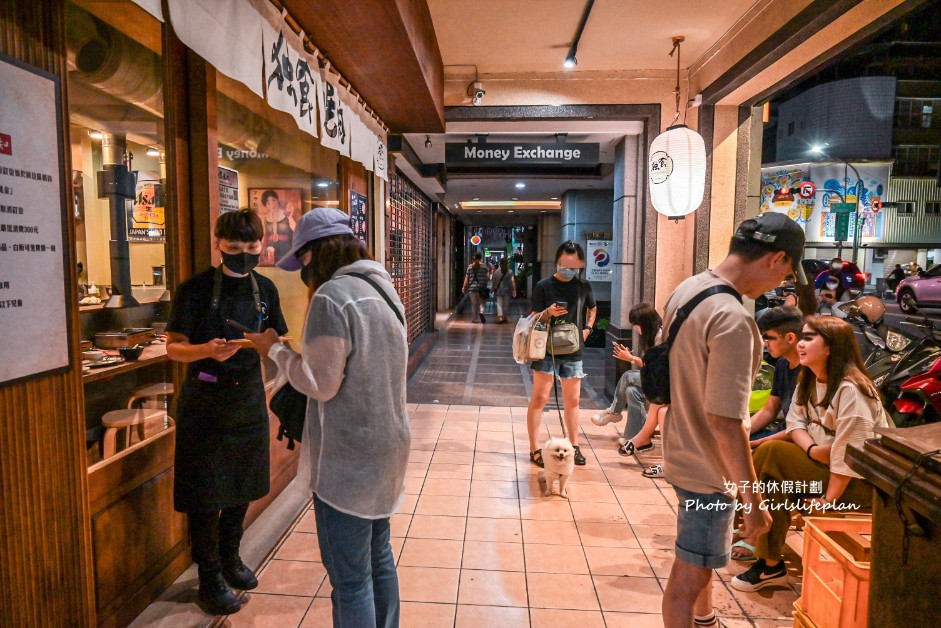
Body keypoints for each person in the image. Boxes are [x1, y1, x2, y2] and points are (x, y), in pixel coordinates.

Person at [248, 207, 409, 627]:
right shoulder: (384, 292)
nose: (301, 271)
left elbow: (320, 383)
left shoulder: (331, 298)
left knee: (351, 581)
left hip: (348, 460)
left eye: (301, 260)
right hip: (387, 449)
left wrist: (275, 350)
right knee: (378, 559)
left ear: (315, 254)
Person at [660, 212, 806, 628]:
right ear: (777, 259)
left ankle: (706, 621)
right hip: (709, 468)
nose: (781, 285)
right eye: (787, 273)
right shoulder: (735, 319)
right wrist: (754, 502)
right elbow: (726, 422)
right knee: (690, 576)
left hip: (681, 449)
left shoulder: (690, 289)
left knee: (697, 560)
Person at [165, 209, 288, 616]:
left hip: (248, 396)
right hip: (204, 398)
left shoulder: (265, 289)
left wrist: (262, 343)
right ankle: (209, 575)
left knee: (245, 482)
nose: (243, 255)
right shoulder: (195, 289)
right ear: (218, 243)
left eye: (251, 248)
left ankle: (232, 556)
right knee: (205, 491)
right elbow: (174, 346)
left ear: (261, 245)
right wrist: (205, 350)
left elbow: (278, 336)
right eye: (234, 249)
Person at [731, 316, 889, 592]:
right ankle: (770, 564)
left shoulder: (852, 389)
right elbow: (795, 423)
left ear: (831, 348)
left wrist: (828, 500)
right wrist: (814, 449)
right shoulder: (809, 378)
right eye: (801, 337)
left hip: (860, 484)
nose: (801, 344)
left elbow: (848, 454)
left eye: (809, 338)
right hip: (822, 465)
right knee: (771, 476)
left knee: (772, 453)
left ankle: (748, 529)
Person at [730, 306, 804, 561]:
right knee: (735, 447)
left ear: (790, 338)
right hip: (786, 431)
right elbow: (771, 408)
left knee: (760, 453)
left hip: (801, 439)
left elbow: (800, 428)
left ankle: (753, 534)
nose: (764, 344)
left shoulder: (810, 370)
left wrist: (754, 442)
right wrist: (743, 431)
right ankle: (744, 522)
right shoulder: (783, 365)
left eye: (768, 337)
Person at [527, 241, 597, 469]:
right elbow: (533, 316)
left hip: (573, 349)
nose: (569, 268)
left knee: (573, 400)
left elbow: (593, 308)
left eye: (574, 264)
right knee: (539, 398)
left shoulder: (583, 286)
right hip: (546, 350)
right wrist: (547, 312)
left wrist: (588, 328)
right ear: (558, 261)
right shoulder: (544, 286)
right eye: (565, 263)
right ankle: (533, 449)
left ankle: (574, 445)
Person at [591, 303, 666, 464]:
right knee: (632, 391)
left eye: (636, 324)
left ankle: (614, 412)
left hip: (664, 382)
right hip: (655, 380)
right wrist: (631, 357)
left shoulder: (661, 335)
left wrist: (630, 359)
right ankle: (637, 439)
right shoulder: (650, 335)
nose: (636, 328)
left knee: (627, 376)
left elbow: (657, 367)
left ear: (646, 322)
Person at [260, 190, 293, 263]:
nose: (272, 205)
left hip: (286, 248)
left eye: (274, 200)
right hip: (270, 249)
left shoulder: (287, 214)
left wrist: (290, 217)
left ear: (277, 200)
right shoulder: (265, 218)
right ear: (266, 206)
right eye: (268, 203)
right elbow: (264, 236)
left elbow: (296, 230)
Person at [462, 253, 489, 324]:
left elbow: (467, 278)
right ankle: (481, 312)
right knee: (482, 303)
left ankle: (474, 319)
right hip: (481, 288)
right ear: (481, 258)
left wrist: (464, 287)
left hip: (472, 288)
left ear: (474, 257)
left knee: (474, 304)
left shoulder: (470, 267)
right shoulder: (484, 266)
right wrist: (485, 282)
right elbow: (488, 277)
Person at [490, 258, 517, 323]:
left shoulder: (496, 271)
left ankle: (500, 317)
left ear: (500, 263)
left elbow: (494, 281)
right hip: (507, 290)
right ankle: (505, 317)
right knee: (506, 304)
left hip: (499, 290)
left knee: (499, 304)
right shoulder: (510, 271)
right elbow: (513, 281)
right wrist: (514, 290)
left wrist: (492, 288)